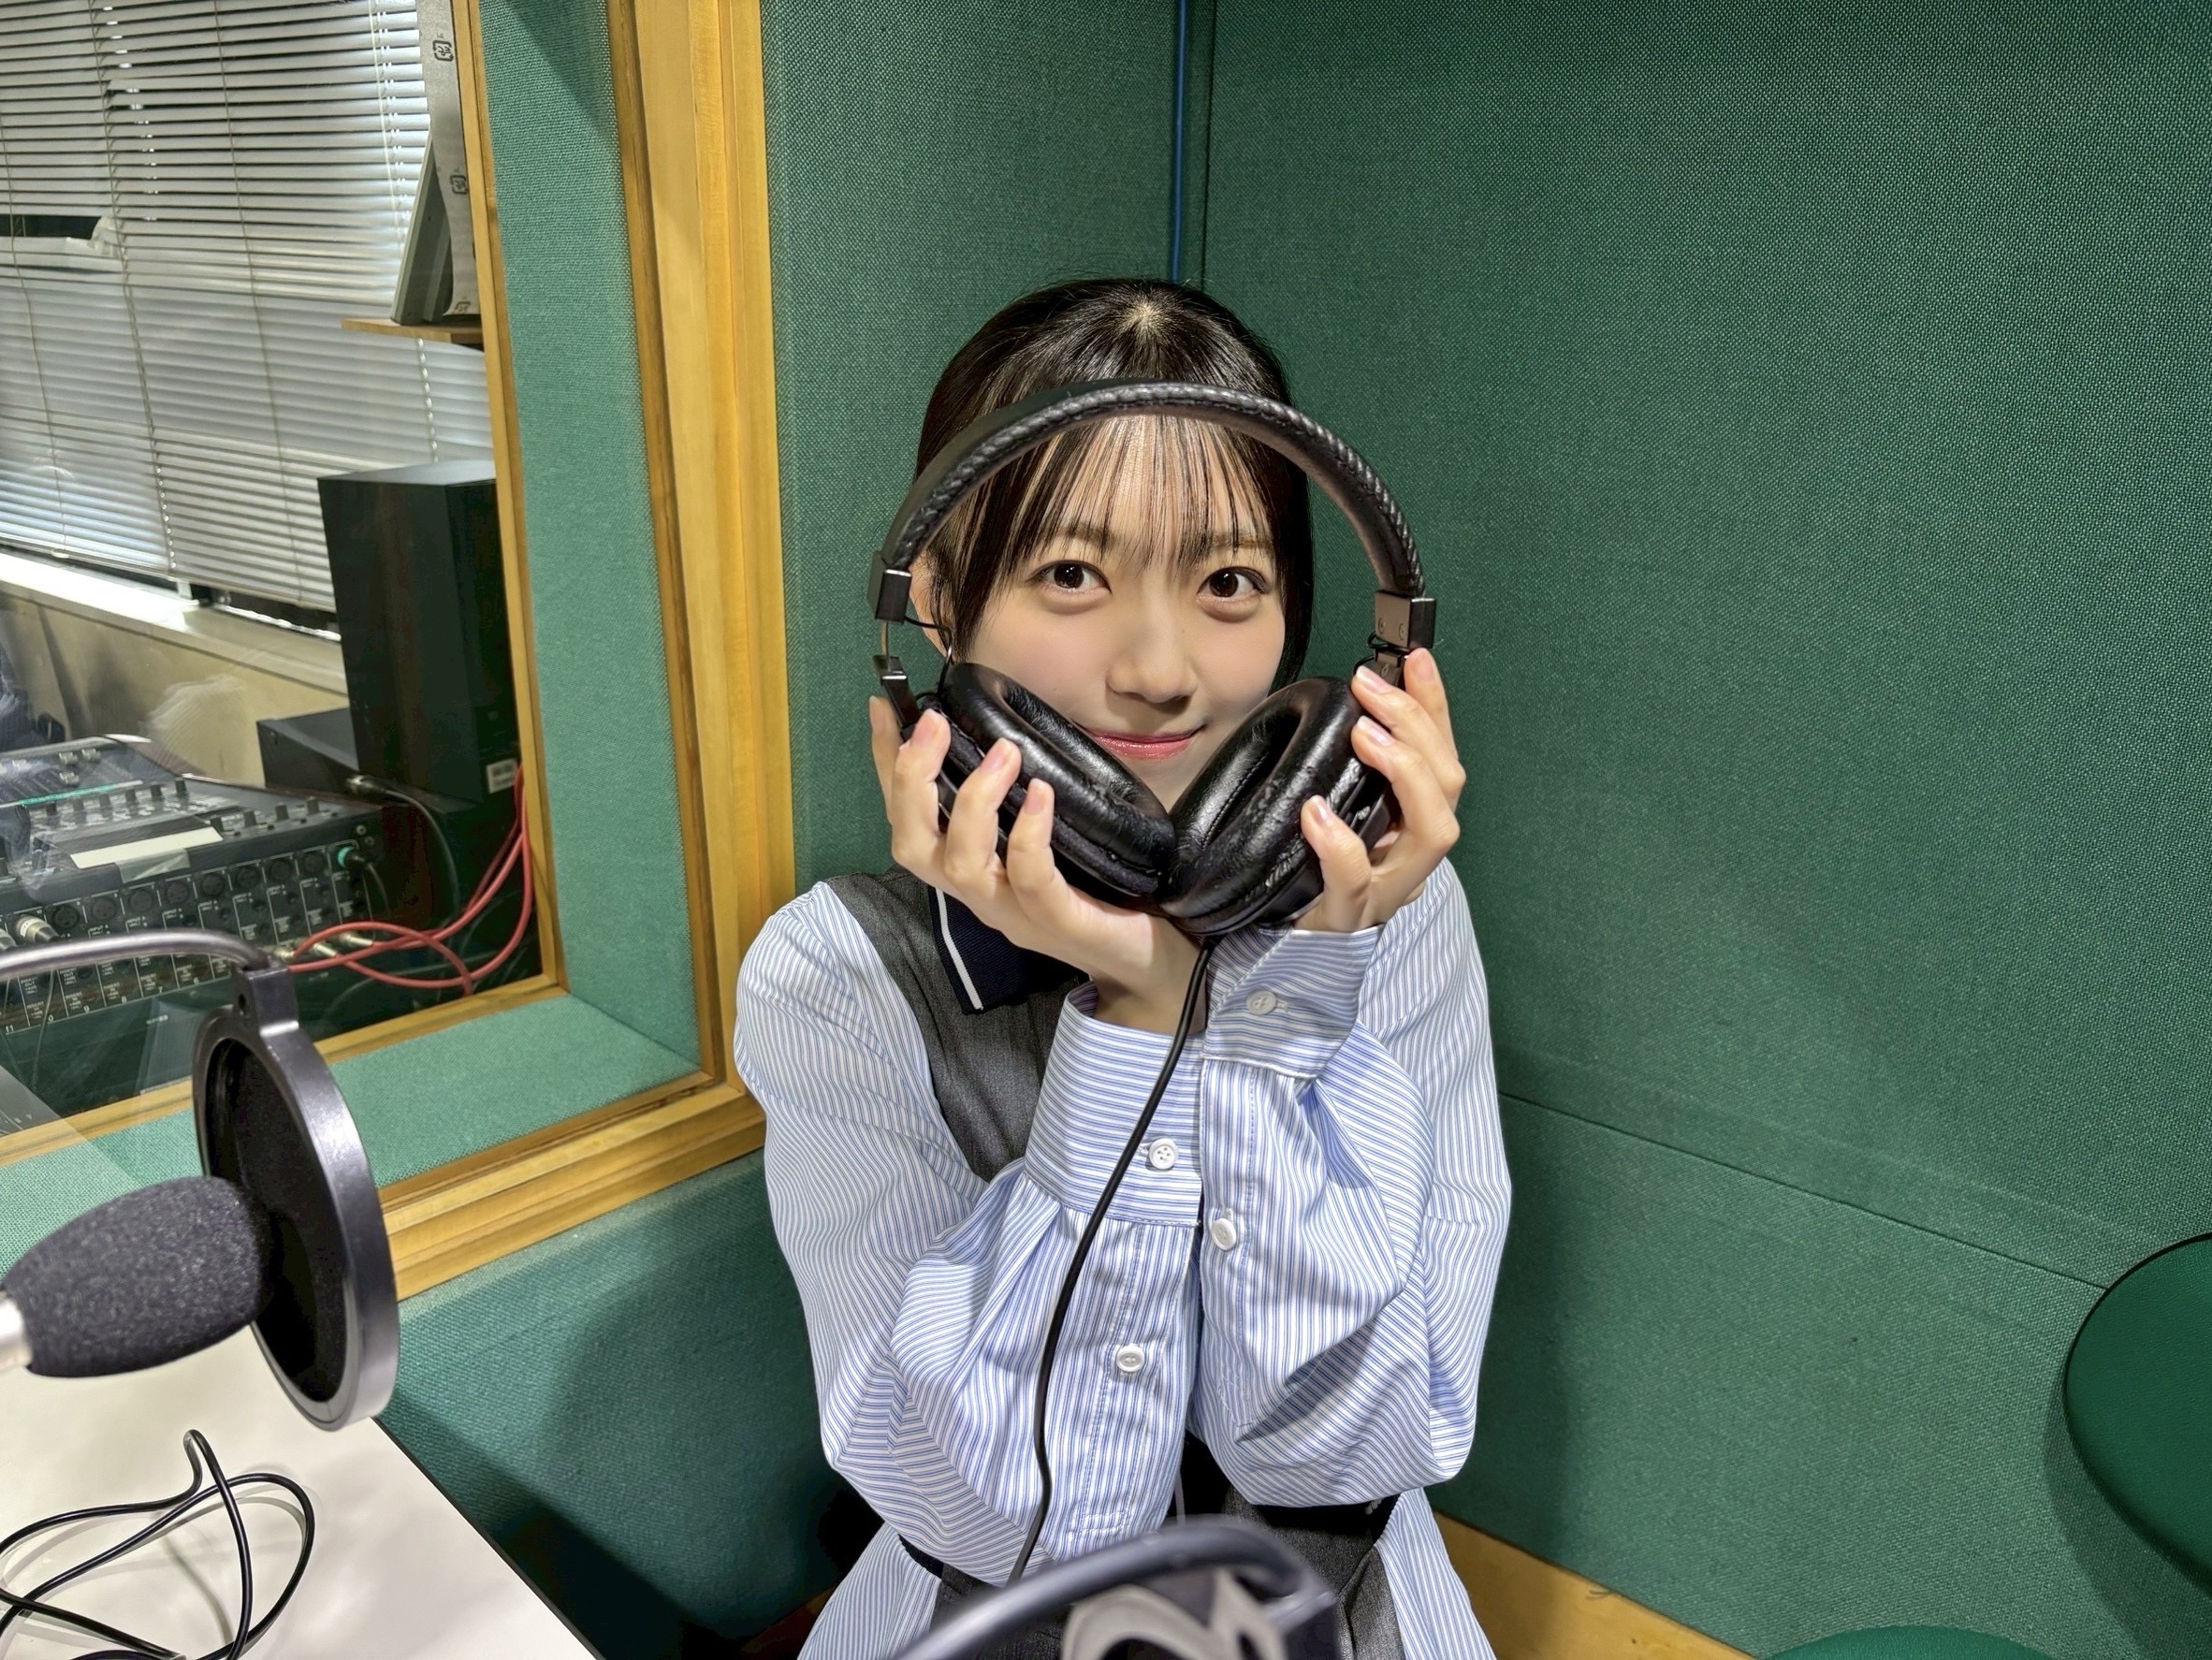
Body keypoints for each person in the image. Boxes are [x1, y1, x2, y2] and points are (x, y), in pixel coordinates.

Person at [735, 278, 1510, 1659]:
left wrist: (1285, 1005)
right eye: (1072, 575)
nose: (1161, 670)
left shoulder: (1392, 920)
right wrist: (1139, 1011)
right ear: (938, 603)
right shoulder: (834, 979)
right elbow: (1001, 1520)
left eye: (1229, 584)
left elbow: (1349, 1448)